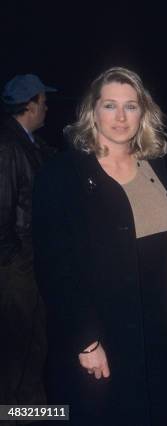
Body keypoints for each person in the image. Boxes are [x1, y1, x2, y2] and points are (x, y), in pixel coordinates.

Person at [32, 67, 167, 424]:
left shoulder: (157, 163)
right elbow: (54, 267)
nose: (121, 117)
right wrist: (85, 341)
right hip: (101, 330)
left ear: (144, 112)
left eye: (131, 106)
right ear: (92, 111)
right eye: (110, 106)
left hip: (158, 326)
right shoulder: (62, 174)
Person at [0, 74, 56, 407]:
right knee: (17, 355)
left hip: (28, 266)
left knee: (34, 350)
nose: (47, 107)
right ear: (29, 104)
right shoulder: (7, 147)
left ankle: (32, 414)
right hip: (16, 271)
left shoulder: (30, 144)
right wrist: (13, 262)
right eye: (43, 101)